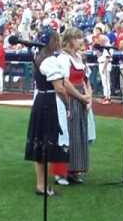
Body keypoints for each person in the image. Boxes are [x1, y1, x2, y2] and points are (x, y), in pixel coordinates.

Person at [25, 27, 73, 196]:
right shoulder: (49, 60)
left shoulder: (40, 57)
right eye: (56, 39)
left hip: (42, 100)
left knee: (41, 144)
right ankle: (42, 185)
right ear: (52, 42)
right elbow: (59, 88)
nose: (59, 42)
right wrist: (68, 104)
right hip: (49, 102)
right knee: (45, 144)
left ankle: (42, 184)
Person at [52, 28, 93, 185]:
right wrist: (81, 96)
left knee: (78, 135)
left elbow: (85, 79)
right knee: (67, 134)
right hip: (69, 99)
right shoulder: (63, 58)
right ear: (69, 40)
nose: (80, 41)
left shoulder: (79, 57)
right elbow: (65, 81)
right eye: (77, 38)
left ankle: (74, 170)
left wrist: (88, 96)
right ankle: (61, 173)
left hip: (80, 99)